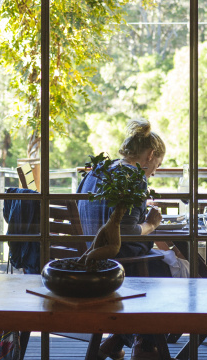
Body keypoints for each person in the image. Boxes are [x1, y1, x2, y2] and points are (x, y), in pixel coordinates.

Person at [77, 118, 166, 360]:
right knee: (169, 273)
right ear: (150, 155)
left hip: (90, 255)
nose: (155, 171)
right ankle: (144, 345)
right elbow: (125, 231)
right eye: (157, 164)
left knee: (166, 261)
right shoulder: (134, 176)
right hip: (119, 260)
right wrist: (151, 224)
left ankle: (116, 341)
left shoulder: (97, 171)